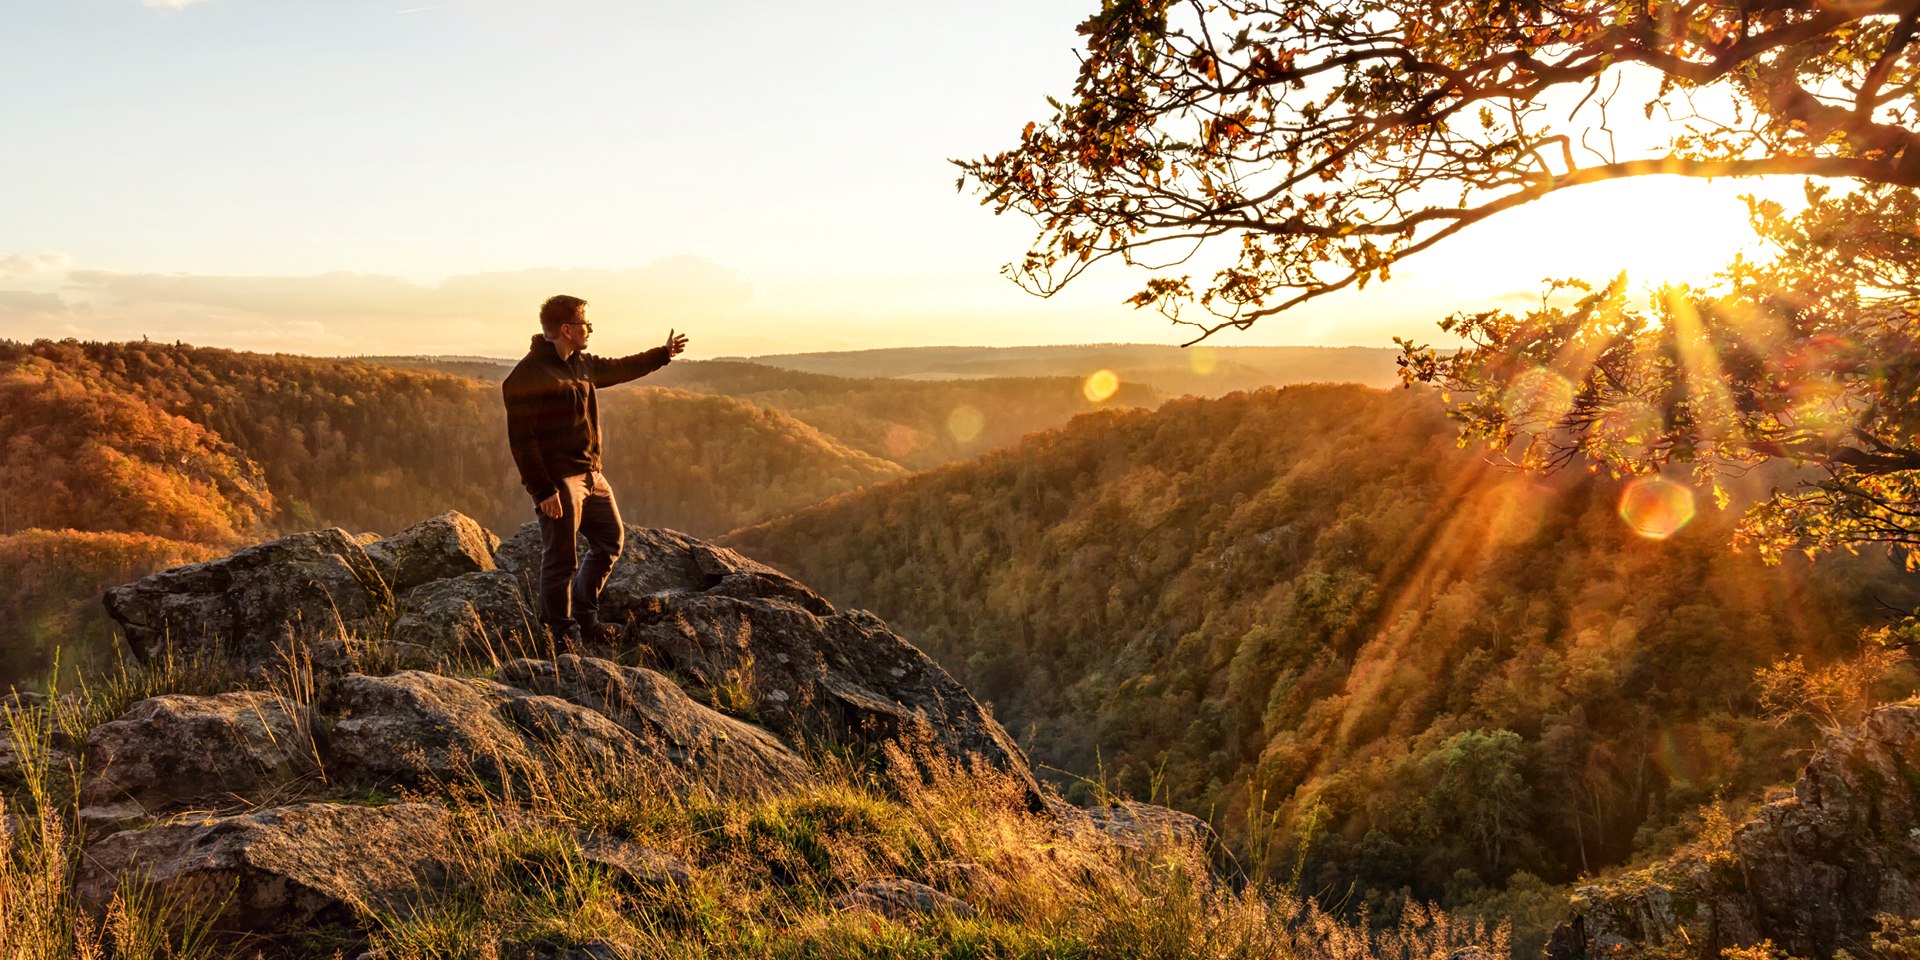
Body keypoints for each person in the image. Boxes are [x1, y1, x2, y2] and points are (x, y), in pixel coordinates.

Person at [503, 294, 688, 646]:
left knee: (609, 542)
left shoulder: (582, 364)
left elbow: (621, 367)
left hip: (592, 475)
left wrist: (662, 354)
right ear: (566, 329)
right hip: (561, 482)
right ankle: (562, 637)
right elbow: (522, 443)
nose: (590, 329)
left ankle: (586, 623)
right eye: (586, 323)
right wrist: (543, 492)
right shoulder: (525, 377)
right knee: (561, 560)